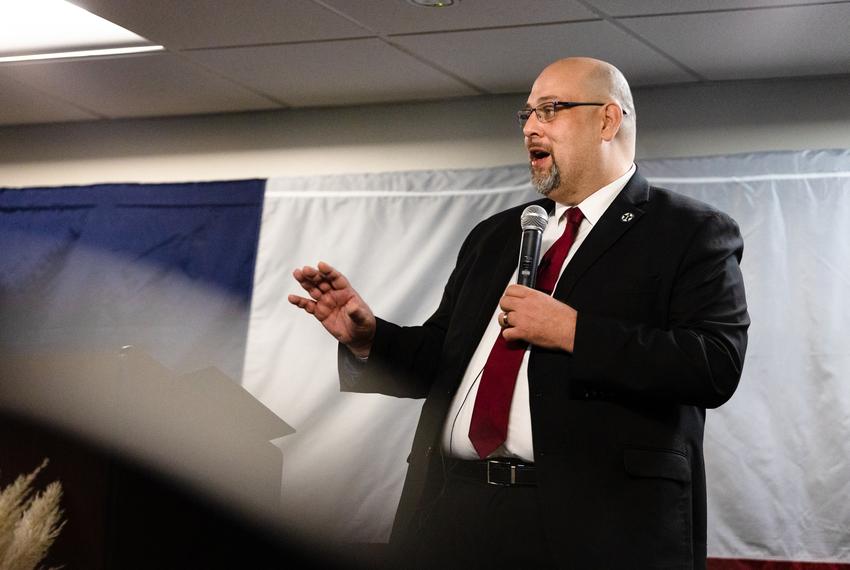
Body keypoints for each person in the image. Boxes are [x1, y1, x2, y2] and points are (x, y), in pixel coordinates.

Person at [289, 57, 749, 569]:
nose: (531, 126)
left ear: (608, 121)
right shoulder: (496, 235)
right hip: (453, 511)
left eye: (550, 110)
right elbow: (445, 360)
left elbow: (714, 364)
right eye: (527, 114)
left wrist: (576, 332)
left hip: (595, 525)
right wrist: (368, 338)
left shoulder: (688, 231)